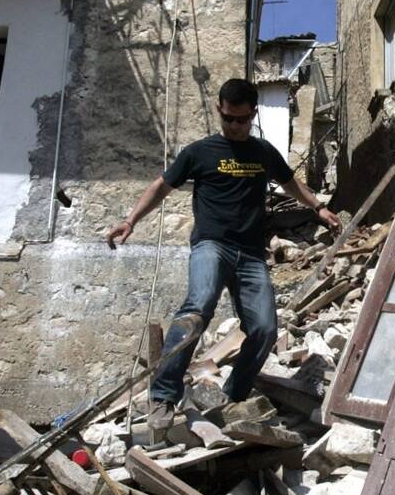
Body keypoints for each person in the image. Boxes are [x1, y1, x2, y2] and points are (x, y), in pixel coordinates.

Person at [106, 78, 340, 434]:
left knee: (264, 329)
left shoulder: (263, 153)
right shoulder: (199, 152)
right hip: (211, 246)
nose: (234, 126)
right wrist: (130, 221)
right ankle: (164, 395)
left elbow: (291, 182)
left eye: (241, 120)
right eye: (228, 118)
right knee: (197, 309)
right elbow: (161, 187)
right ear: (219, 110)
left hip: (251, 254)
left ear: (253, 115)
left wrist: (318, 208)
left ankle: (233, 397)